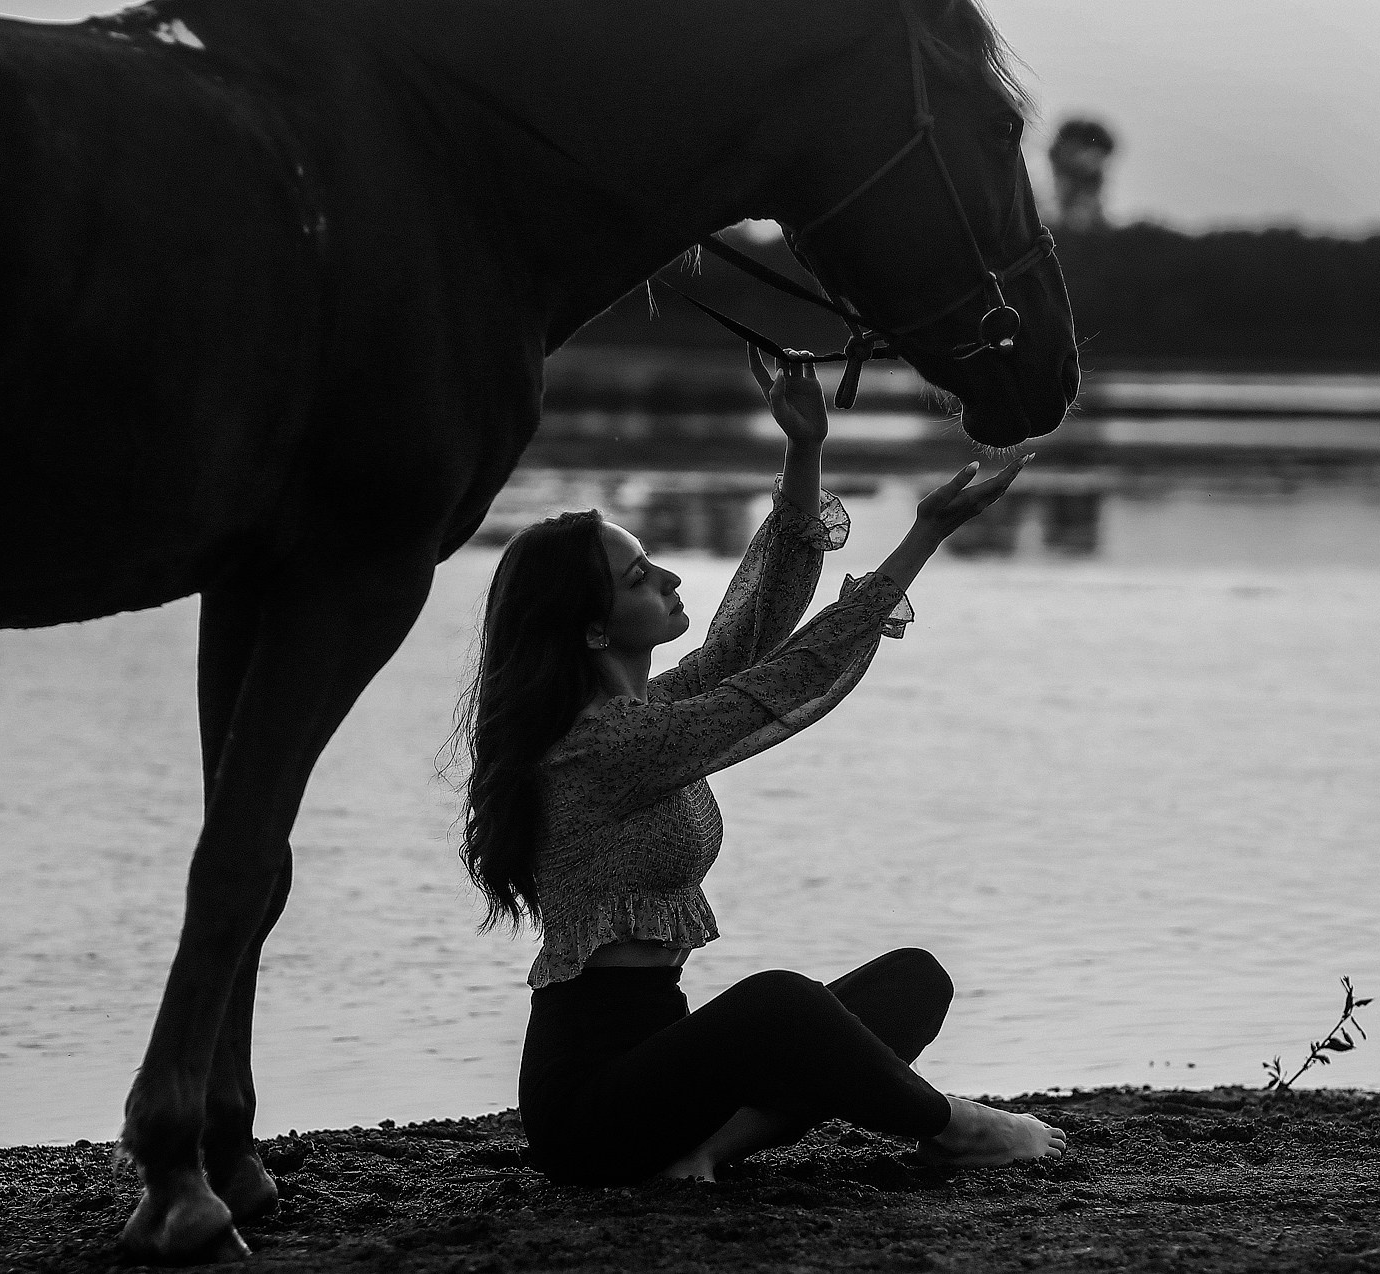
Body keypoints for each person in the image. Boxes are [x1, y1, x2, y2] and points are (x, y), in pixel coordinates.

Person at [456, 348, 1065, 1184]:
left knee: (907, 984)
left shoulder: (650, 713)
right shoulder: (600, 746)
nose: (669, 576)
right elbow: (789, 675)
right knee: (781, 1002)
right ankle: (957, 1127)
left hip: (672, 1073)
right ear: (592, 627)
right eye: (639, 576)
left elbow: (752, 634)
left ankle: (705, 1152)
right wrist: (923, 534)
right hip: (592, 1107)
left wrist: (803, 450)